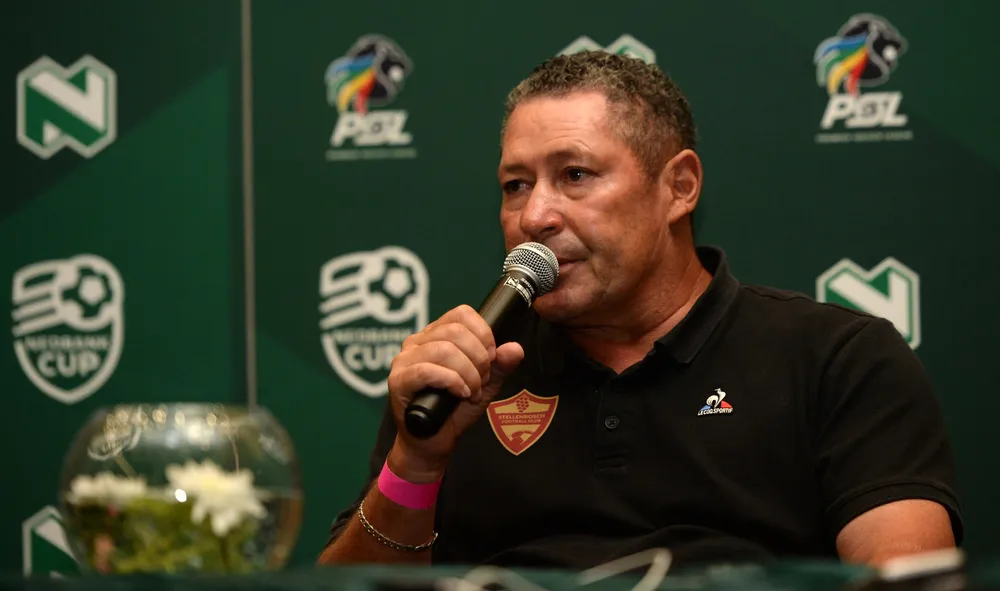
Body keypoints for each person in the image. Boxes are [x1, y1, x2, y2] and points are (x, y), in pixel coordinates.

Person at [317, 50, 962, 570]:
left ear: (679, 187)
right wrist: (417, 462)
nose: (534, 216)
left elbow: (908, 579)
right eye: (516, 185)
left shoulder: (836, 360)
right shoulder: (460, 369)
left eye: (575, 175)